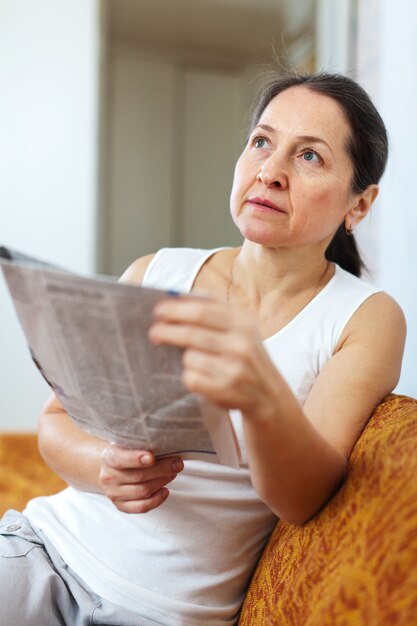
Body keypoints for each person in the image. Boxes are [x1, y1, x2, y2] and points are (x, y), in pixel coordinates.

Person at [0, 72, 406, 626]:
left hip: (167, 614)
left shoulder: (364, 317)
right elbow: (54, 423)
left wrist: (260, 394)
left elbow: (304, 499)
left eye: (309, 156)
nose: (270, 171)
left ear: (359, 205)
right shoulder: (158, 271)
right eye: (262, 142)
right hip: (43, 551)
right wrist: (104, 467)